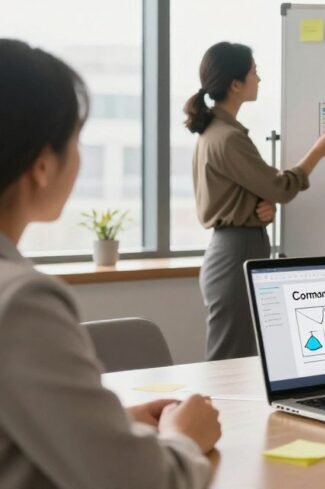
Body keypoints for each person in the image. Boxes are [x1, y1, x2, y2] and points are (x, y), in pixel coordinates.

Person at [0, 38, 221, 488]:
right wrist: (184, 437)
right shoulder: (21, 302)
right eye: (76, 140)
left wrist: (107, 425)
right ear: (42, 166)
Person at [186, 42, 325, 360]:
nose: (259, 79)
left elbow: (248, 190)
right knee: (230, 359)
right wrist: (317, 153)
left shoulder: (216, 132)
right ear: (235, 84)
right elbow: (280, 188)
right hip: (237, 251)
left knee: (236, 355)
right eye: (254, 72)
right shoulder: (228, 138)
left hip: (235, 247)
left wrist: (259, 206)